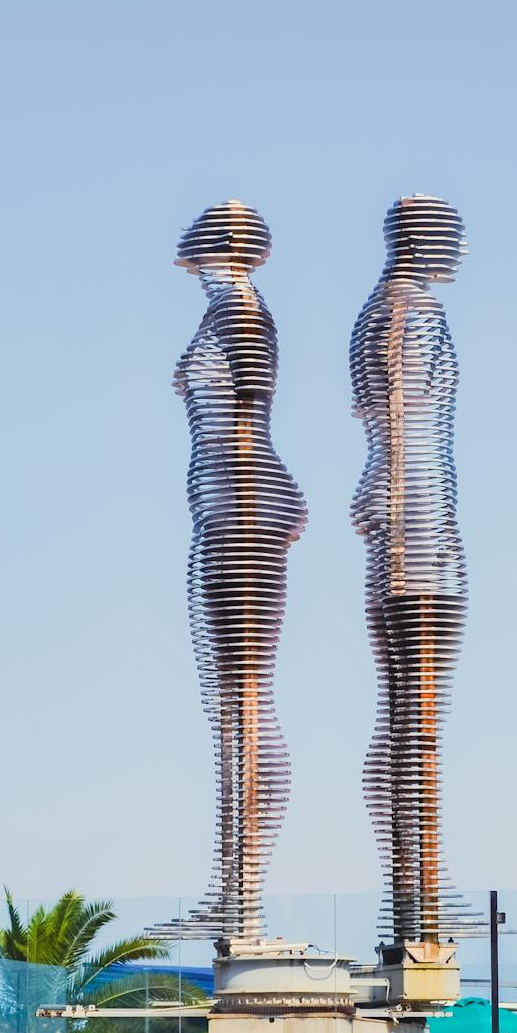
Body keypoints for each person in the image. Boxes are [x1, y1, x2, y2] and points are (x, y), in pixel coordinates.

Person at [160, 201, 306, 945]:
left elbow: (249, 413)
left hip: (240, 514)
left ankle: (239, 895)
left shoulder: (242, 313)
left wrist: (249, 514)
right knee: (231, 706)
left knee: (242, 707)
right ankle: (230, 891)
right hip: (228, 512)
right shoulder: (227, 312)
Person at [350, 195, 473, 945]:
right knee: (417, 728)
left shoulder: (378, 309)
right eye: (450, 239)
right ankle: (422, 889)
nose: (457, 252)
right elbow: (399, 425)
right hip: (419, 540)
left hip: (405, 534)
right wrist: (411, 540)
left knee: (404, 725)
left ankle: (419, 887)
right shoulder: (407, 310)